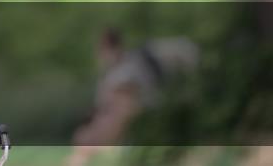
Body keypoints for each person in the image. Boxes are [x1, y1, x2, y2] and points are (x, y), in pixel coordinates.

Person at [68, 28, 199, 166]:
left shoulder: (123, 74)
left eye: (102, 51)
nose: (100, 56)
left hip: (183, 66)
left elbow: (124, 106)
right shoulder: (116, 75)